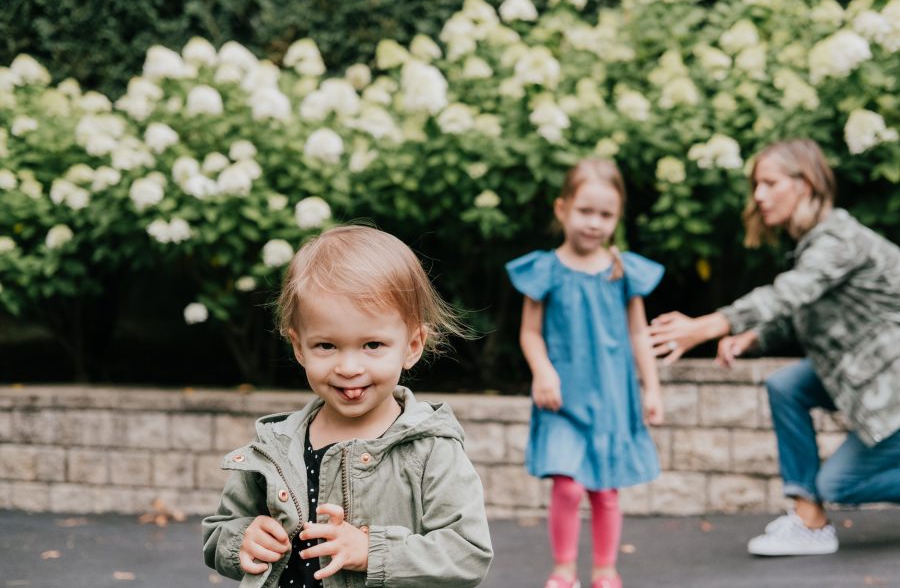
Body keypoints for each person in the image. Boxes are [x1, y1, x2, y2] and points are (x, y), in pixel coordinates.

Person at [202, 225, 493, 588]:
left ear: (413, 345)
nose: (349, 367)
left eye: (372, 345)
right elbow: (219, 531)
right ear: (298, 346)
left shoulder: (430, 449)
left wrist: (373, 551)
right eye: (327, 346)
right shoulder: (276, 445)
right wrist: (242, 539)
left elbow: (467, 553)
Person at [648, 138, 900, 557]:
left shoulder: (840, 239)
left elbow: (788, 293)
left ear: (805, 183)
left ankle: (816, 507)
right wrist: (755, 337)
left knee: (840, 484)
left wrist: (708, 325)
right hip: (873, 379)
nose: (759, 196)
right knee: (787, 385)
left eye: (769, 183)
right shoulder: (817, 245)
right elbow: (806, 310)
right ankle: (809, 521)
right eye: (756, 186)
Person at [506, 159, 665, 588]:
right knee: (568, 485)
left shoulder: (621, 270)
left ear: (617, 218)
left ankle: (604, 571)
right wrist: (542, 372)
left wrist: (651, 388)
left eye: (606, 215)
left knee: (605, 490)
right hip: (560, 397)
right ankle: (563, 569)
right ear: (562, 209)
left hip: (612, 397)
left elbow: (638, 333)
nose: (594, 223)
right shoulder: (545, 269)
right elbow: (530, 333)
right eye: (585, 211)